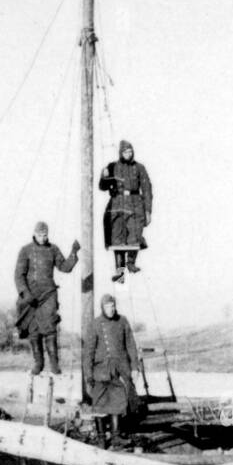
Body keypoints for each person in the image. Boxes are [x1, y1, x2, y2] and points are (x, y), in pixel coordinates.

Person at [14, 221, 79, 375]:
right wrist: (25, 293)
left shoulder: (53, 249)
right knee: (33, 330)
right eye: (40, 235)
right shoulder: (26, 250)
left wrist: (74, 252)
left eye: (45, 235)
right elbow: (19, 275)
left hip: (48, 294)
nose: (42, 238)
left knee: (50, 327)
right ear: (34, 234)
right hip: (31, 296)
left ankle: (55, 365)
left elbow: (65, 267)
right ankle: (39, 364)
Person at [82, 293, 141, 446]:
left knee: (117, 402)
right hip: (100, 370)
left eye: (113, 306)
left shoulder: (122, 321)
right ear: (102, 308)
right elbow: (88, 351)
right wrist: (88, 375)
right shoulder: (95, 324)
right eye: (108, 306)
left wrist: (135, 367)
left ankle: (115, 437)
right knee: (100, 404)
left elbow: (131, 345)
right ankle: (101, 438)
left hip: (119, 369)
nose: (111, 309)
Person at [99, 139, 153, 281]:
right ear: (121, 153)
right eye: (126, 151)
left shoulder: (139, 168)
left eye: (130, 151)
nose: (129, 154)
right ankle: (120, 273)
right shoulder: (112, 166)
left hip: (135, 203)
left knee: (134, 235)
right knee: (117, 238)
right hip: (117, 204)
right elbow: (103, 187)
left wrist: (148, 210)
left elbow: (147, 189)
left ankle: (131, 263)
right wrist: (104, 176)